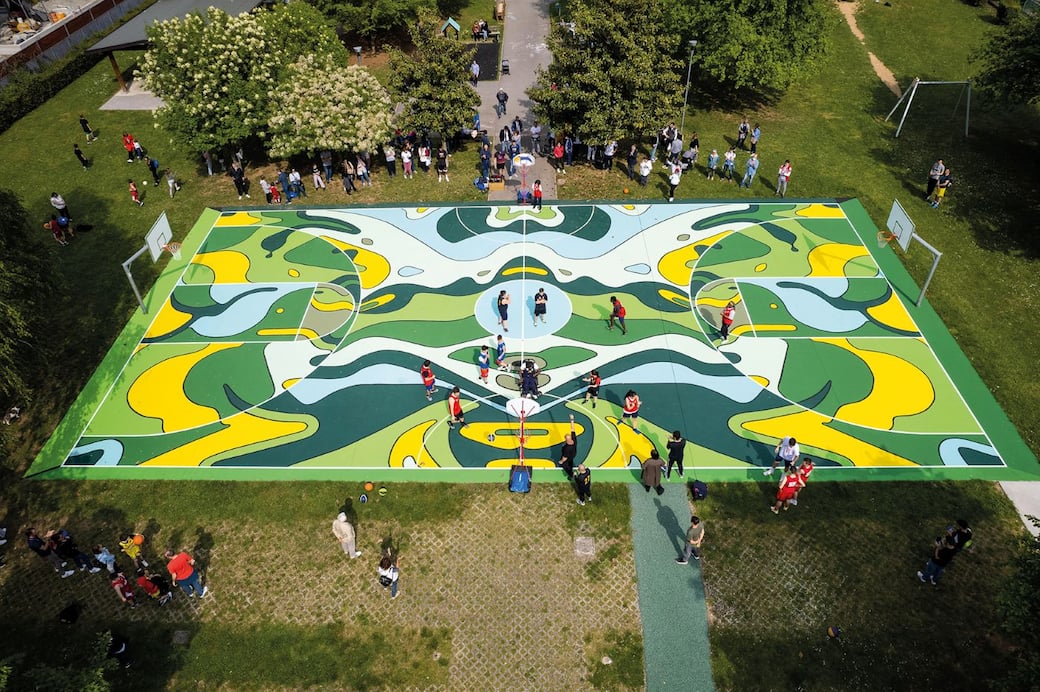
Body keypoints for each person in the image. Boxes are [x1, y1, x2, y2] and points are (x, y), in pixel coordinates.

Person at [559, 414, 578, 480]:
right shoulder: (574, 439)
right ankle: (571, 467)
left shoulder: (567, 448)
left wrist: (561, 461)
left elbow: (564, 457)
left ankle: (571, 474)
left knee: (565, 465)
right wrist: (572, 419)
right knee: (570, 462)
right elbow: (573, 429)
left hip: (568, 455)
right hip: (573, 453)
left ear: (566, 439)